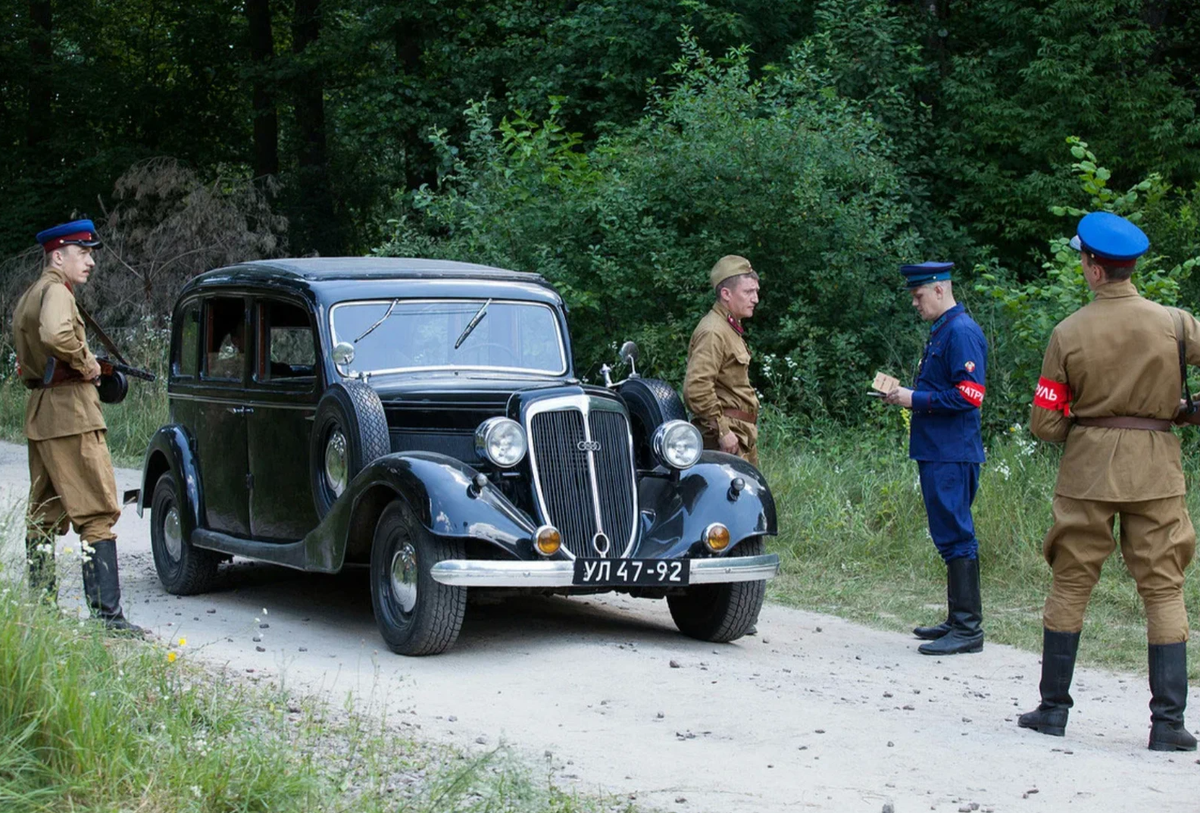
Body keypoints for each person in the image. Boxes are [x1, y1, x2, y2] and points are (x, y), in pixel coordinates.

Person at [1018, 212, 1196, 751]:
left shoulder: (1068, 332)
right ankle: (1168, 725)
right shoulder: (1178, 324)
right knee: (1163, 587)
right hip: (1157, 469)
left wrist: (1089, 419)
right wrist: (1181, 409)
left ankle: (1053, 712)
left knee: (1071, 582)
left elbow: (1045, 424)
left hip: (1089, 469)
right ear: (1130, 267)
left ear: (1095, 270)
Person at [12, 219, 141, 633]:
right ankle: (108, 620)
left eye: (90, 254)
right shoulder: (57, 293)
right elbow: (55, 334)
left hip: (43, 412)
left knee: (44, 516)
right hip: (71, 415)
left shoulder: (30, 295)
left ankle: (43, 615)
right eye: (82, 253)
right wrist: (88, 364)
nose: (90, 262)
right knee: (98, 511)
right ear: (58, 255)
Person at [883, 262, 988, 656]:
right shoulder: (944, 329)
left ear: (940, 290)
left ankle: (967, 628)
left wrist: (915, 398)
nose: (915, 302)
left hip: (951, 453)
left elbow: (970, 395)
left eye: (919, 295)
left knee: (957, 535)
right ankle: (956, 619)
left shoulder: (961, 331)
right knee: (948, 535)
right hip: (939, 450)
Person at [683, 255, 761, 466]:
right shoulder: (713, 331)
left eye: (756, 292)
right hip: (725, 440)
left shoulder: (728, 328)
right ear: (726, 294)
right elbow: (697, 388)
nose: (755, 299)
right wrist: (723, 430)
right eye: (748, 292)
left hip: (739, 435)